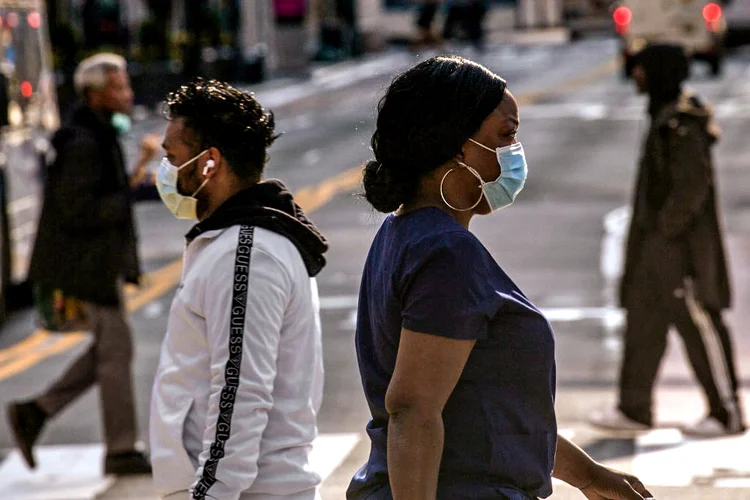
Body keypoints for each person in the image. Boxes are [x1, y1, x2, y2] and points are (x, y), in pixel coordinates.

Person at [347, 55, 653, 500]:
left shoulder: (405, 235)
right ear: (457, 147)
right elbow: (413, 411)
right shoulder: (445, 252)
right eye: (506, 136)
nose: (515, 153)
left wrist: (588, 475)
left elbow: (492, 420)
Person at [149, 79, 328, 500]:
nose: (164, 173)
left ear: (209, 163)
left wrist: (209, 492)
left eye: (172, 158)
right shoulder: (236, 244)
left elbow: (240, 389)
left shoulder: (246, 253)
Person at [5, 53, 158, 474]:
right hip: (85, 265)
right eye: (119, 87)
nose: (127, 94)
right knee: (117, 349)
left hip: (94, 262)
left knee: (113, 348)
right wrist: (130, 191)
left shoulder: (97, 133)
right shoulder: (83, 142)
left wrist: (138, 177)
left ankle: (35, 412)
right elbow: (80, 210)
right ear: (95, 93)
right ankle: (120, 449)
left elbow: (100, 197)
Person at [589, 44, 746, 437]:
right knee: (644, 323)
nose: (635, 75)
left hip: (680, 251)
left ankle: (726, 412)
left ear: (657, 72)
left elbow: (690, 189)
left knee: (698, 324)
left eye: (642, 69)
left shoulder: (681, 123)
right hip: (655, 249)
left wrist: (664, 233)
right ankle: (634, 409)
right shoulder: (664, 116)